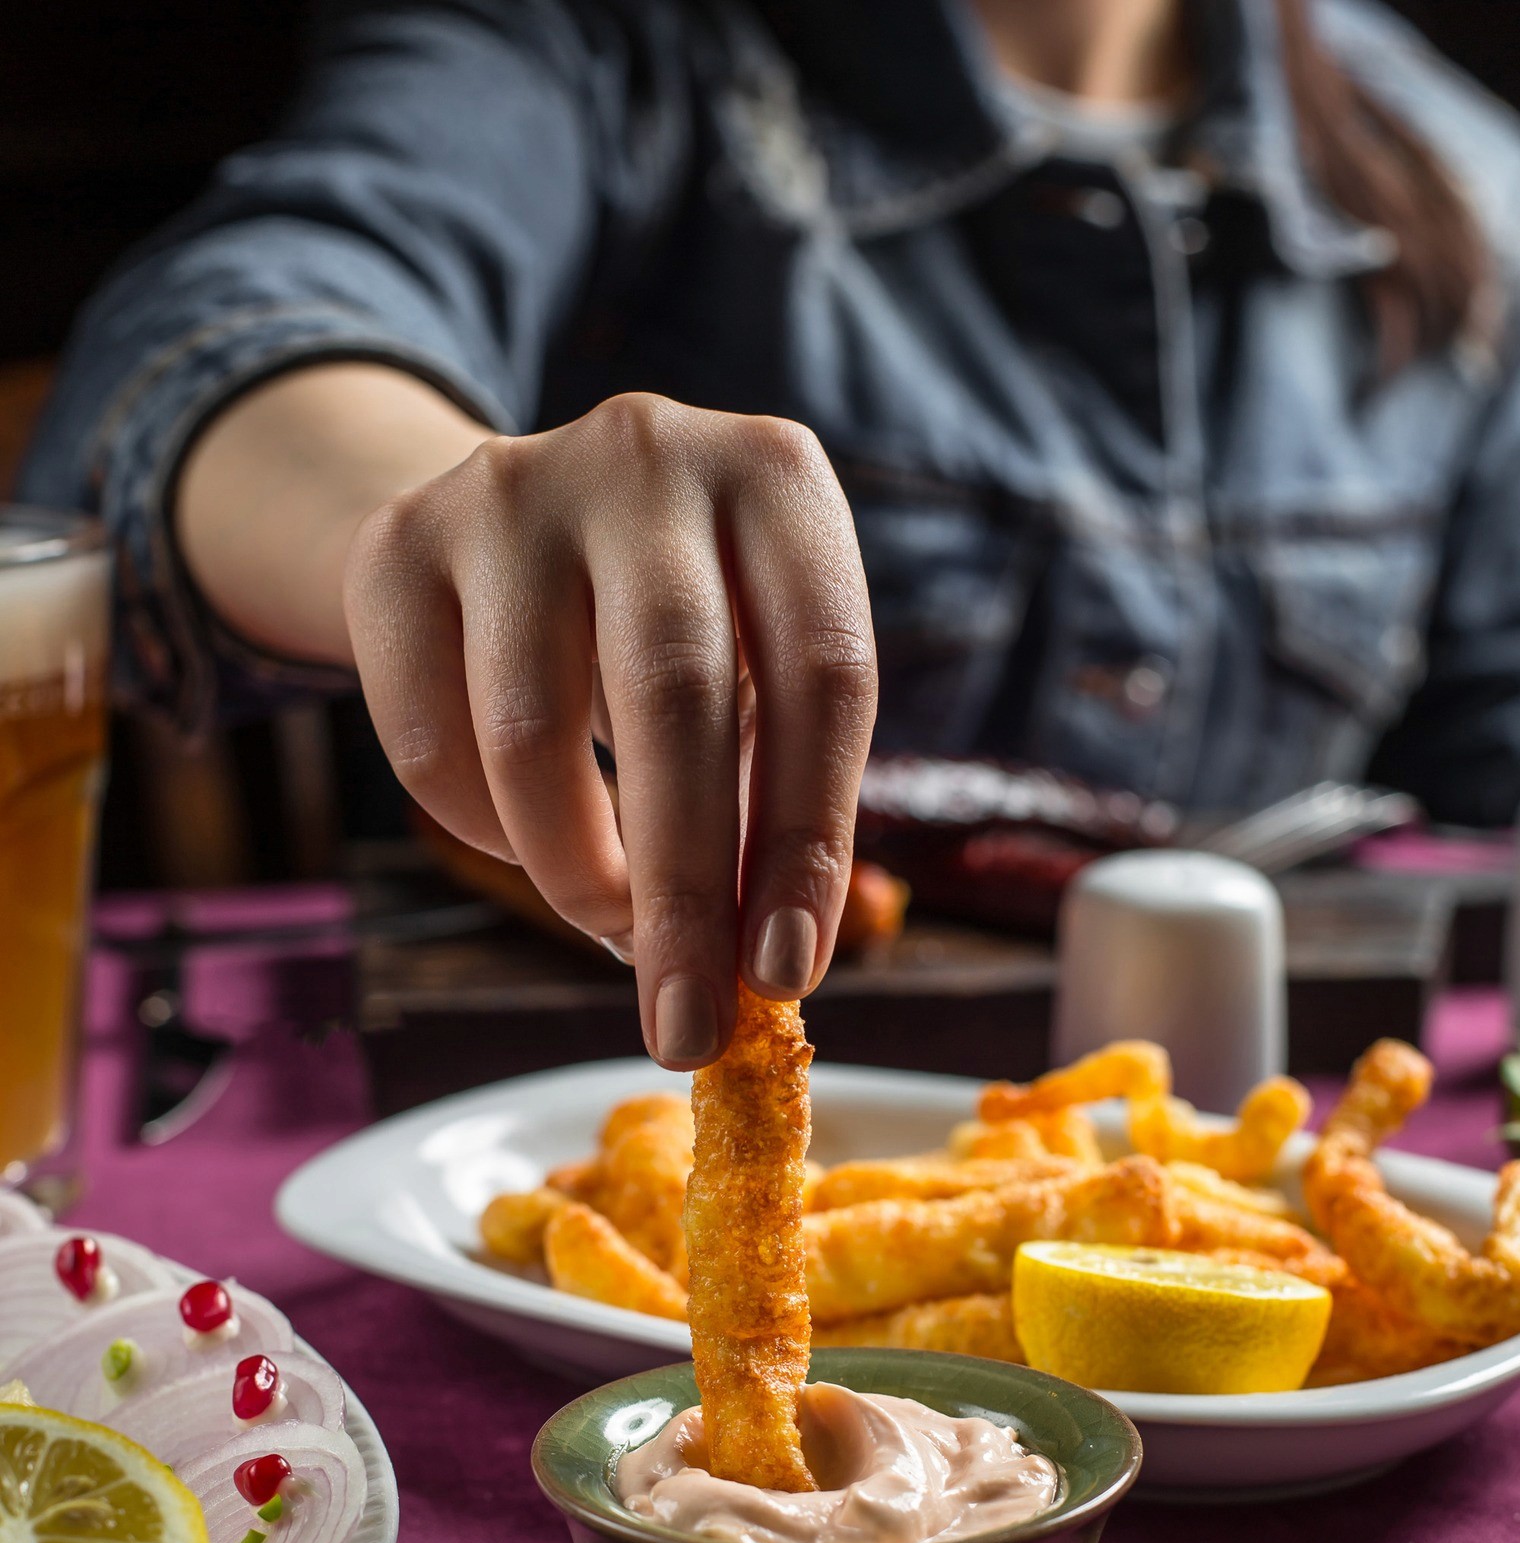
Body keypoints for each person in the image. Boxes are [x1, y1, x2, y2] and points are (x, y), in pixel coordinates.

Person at [22, 0, 1520, 1065]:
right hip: (542, 1105)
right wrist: (439, 518)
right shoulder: (592, 52)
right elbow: (229, 331)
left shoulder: (1472, 187)